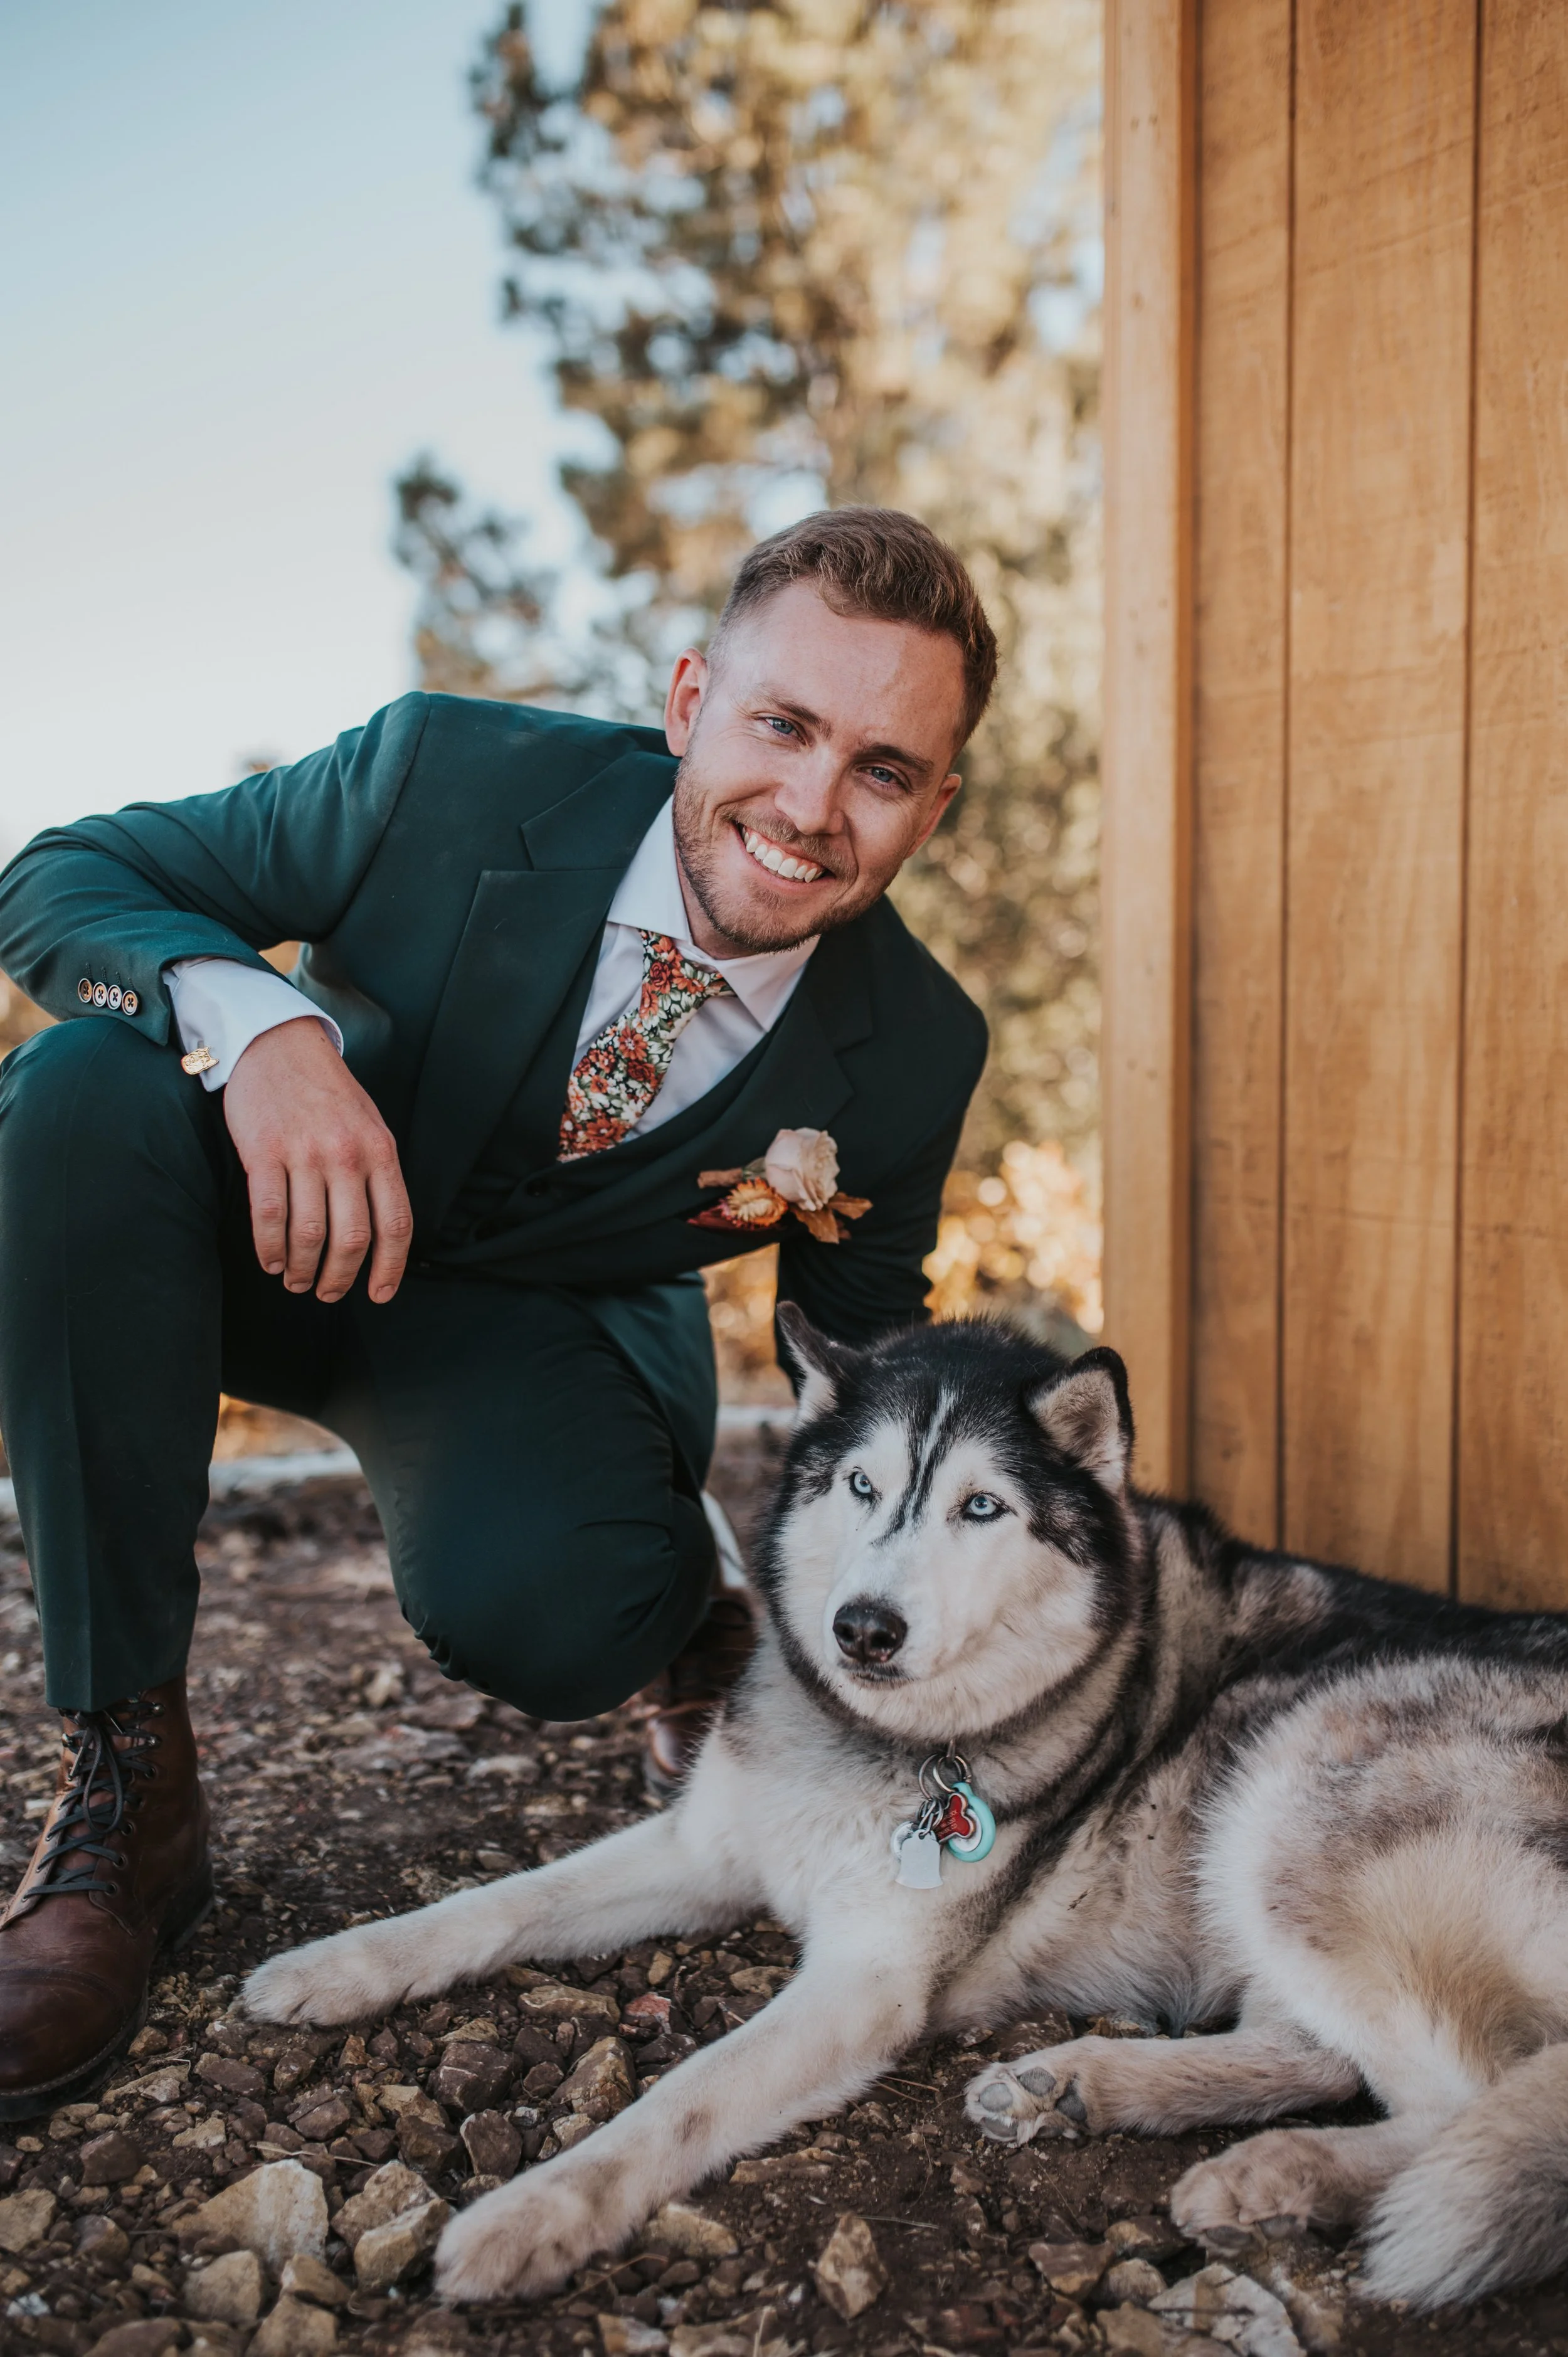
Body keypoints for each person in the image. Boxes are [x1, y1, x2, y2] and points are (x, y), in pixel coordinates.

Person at [0, 505, 993, 2118]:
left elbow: (865, 1375)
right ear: (686, 702)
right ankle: (128, 1788)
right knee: (77, 1098)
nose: (811, 809)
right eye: (782, 725)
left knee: (553, 1613)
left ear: (932, 807)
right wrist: (265, 1032)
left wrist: (902, 1690)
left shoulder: (916, 1049)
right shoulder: (439, 775)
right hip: (269, 1221)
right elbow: (62, 874)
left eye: (881, 769)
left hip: (522, 1336)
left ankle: (687, 1610)